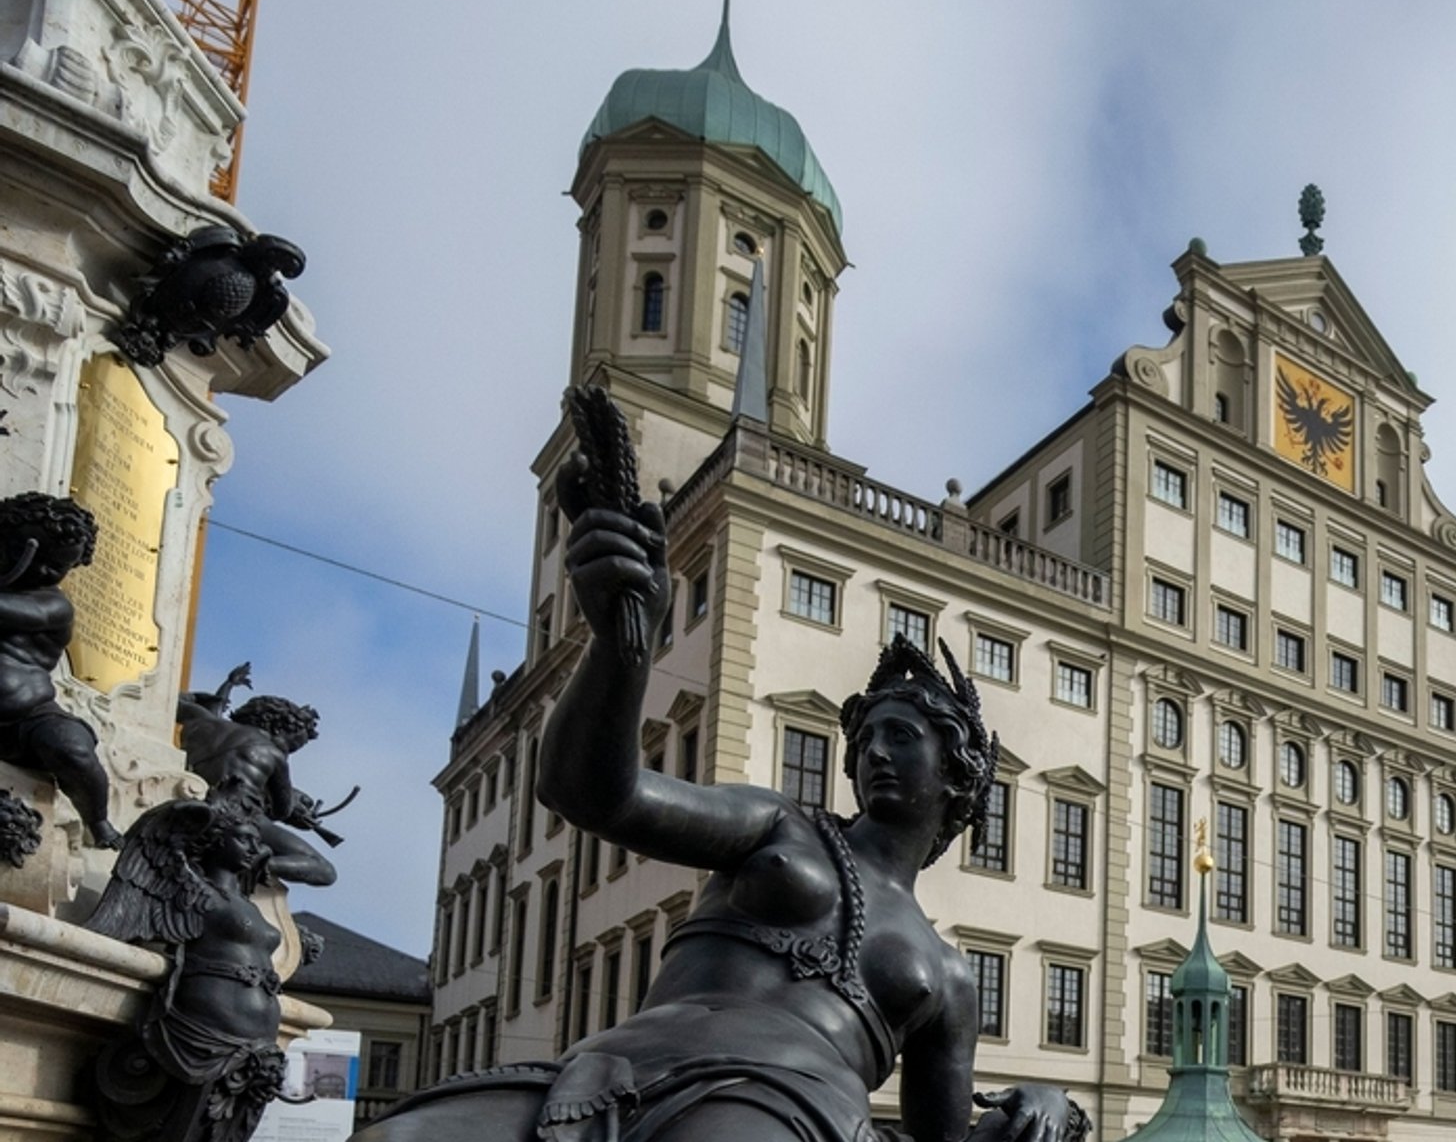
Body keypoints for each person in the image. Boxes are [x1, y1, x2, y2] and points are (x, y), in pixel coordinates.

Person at [355, 464, 1082, 1142]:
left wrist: (1054, 1103)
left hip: (791, 1105)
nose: (874, 753)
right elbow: (594, 794)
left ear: (958, 776)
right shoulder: (777, 823)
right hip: (606, 1072)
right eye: (865, 737)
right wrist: (620, 646)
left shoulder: (950, 974)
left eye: (901, 736)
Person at [86, 799, 288, 1142]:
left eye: (256, 841)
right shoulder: (188, 887)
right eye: (243, 839)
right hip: (201, 1036)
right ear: (214, 840)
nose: (255, 847)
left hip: (256, 1050)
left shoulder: (247, 903)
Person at [0, 491, 119, 848]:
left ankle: (98, 822)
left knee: (72, 750)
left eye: (60, 567)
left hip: (25, 720)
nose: (49, 573)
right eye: (41, 558)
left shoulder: (52, 604)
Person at [178, 677, 336, 888]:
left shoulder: (203, 721)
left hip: (195, 799)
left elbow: (170, 700)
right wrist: (297, 812)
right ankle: (255, 865)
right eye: (290, 747)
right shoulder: (274, 755)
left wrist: (196, 697)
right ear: (278, 730)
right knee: (324, 870)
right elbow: (281, 810)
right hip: (239, 816)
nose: (286, 754)